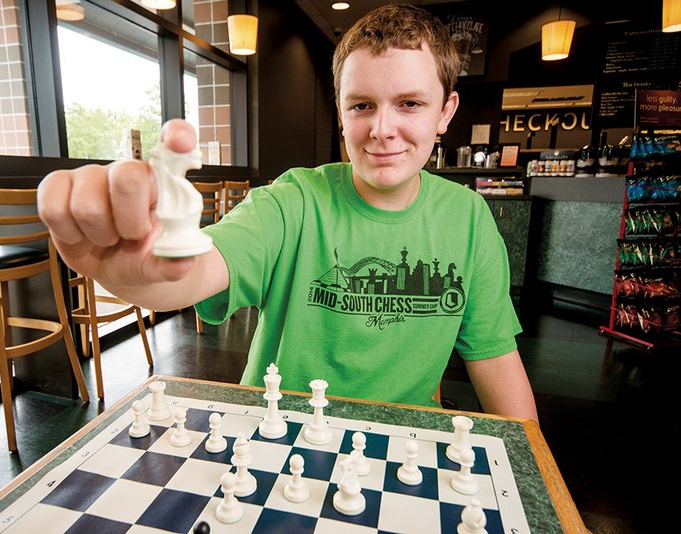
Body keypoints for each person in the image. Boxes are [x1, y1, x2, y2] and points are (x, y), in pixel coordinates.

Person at [38, 4, 538, 422]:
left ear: (446, 112)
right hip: (276, 432)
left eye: (409, 103)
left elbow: (495, 359)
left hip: (401, 444)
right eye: (362, 105)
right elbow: (199, 268)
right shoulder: (293, 200)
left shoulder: (469, 219)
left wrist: (537, 483)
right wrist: (132, 269)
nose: (382, 128)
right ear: (340, 111)